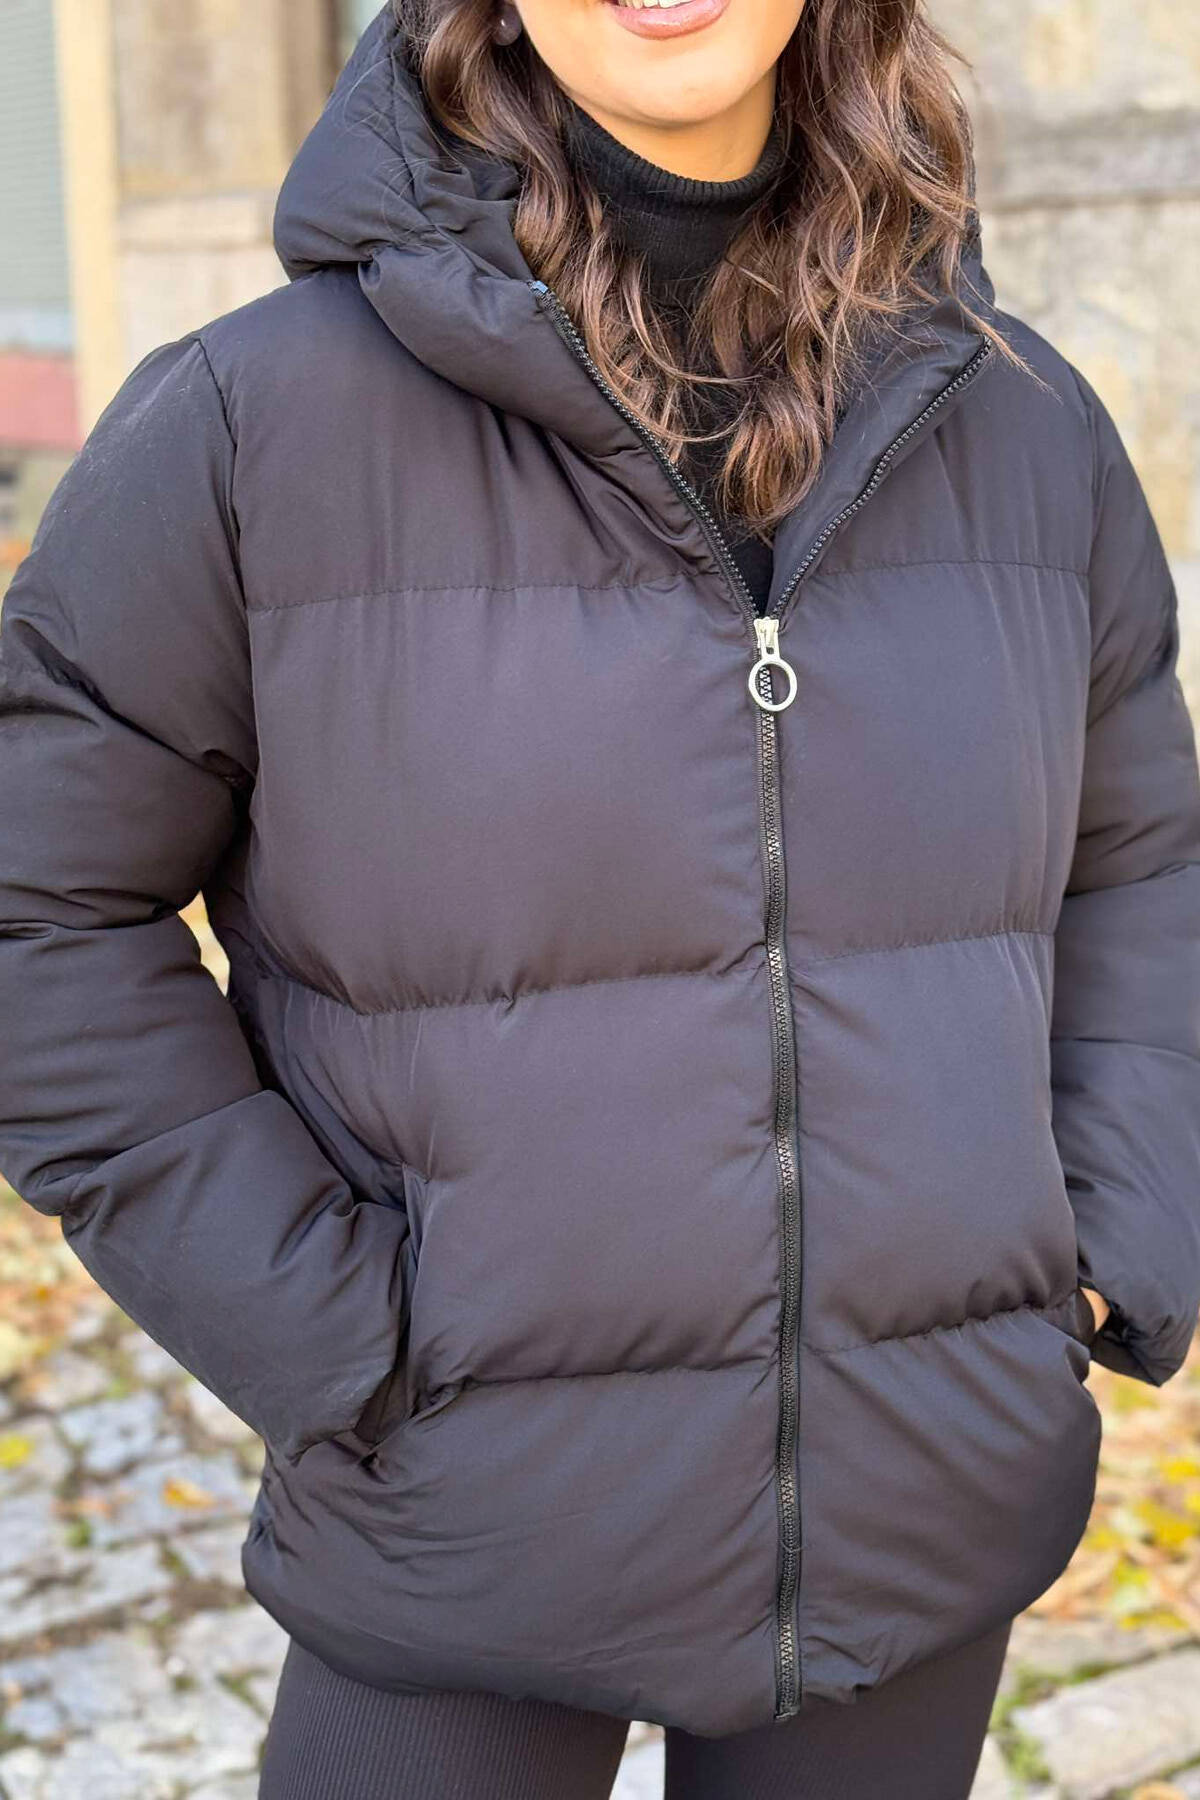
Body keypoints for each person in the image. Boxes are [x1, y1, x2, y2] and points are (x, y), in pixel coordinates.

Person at [1, 0, 1198, 1795]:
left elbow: (1142, 862)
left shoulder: (1025, 425)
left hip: (923, 1512)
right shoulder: (252, 425)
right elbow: (37, 909)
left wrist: (1104, 1246)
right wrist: (339, 1334)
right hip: (457, 1532)